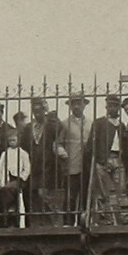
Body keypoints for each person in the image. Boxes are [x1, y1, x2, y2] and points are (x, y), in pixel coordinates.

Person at [85, 96, 128, 227]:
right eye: (110, 106)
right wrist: (97, 160)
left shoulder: (122, 125)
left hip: (118, 159)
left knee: (122, 189)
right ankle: (105, 217)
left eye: (115, 106)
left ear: (118, 108)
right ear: (106, 108)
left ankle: (125, 216)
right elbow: (91, 144)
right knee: (102, 191)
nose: (112, 109)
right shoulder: (99, 123)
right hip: (103, 160)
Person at [45, 94, 90, 228]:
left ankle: (85, 221)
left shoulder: (91, 123)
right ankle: (68, 223)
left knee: (85, 196)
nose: (76, 106)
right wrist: (63, 154)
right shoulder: (64, 124)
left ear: (84, 105)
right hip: (71, 165)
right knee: (70, 195)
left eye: (79, 103)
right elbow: (57, 144)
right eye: (73, 104)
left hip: (87, 166)